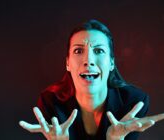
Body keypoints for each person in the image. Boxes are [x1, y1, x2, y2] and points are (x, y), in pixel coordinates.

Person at [19, 19, 164, 140]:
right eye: (78, 51)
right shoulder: (50, 102)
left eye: (99, 51)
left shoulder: (133, 102)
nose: (88, 60)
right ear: (67, 63)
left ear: (112, 63)